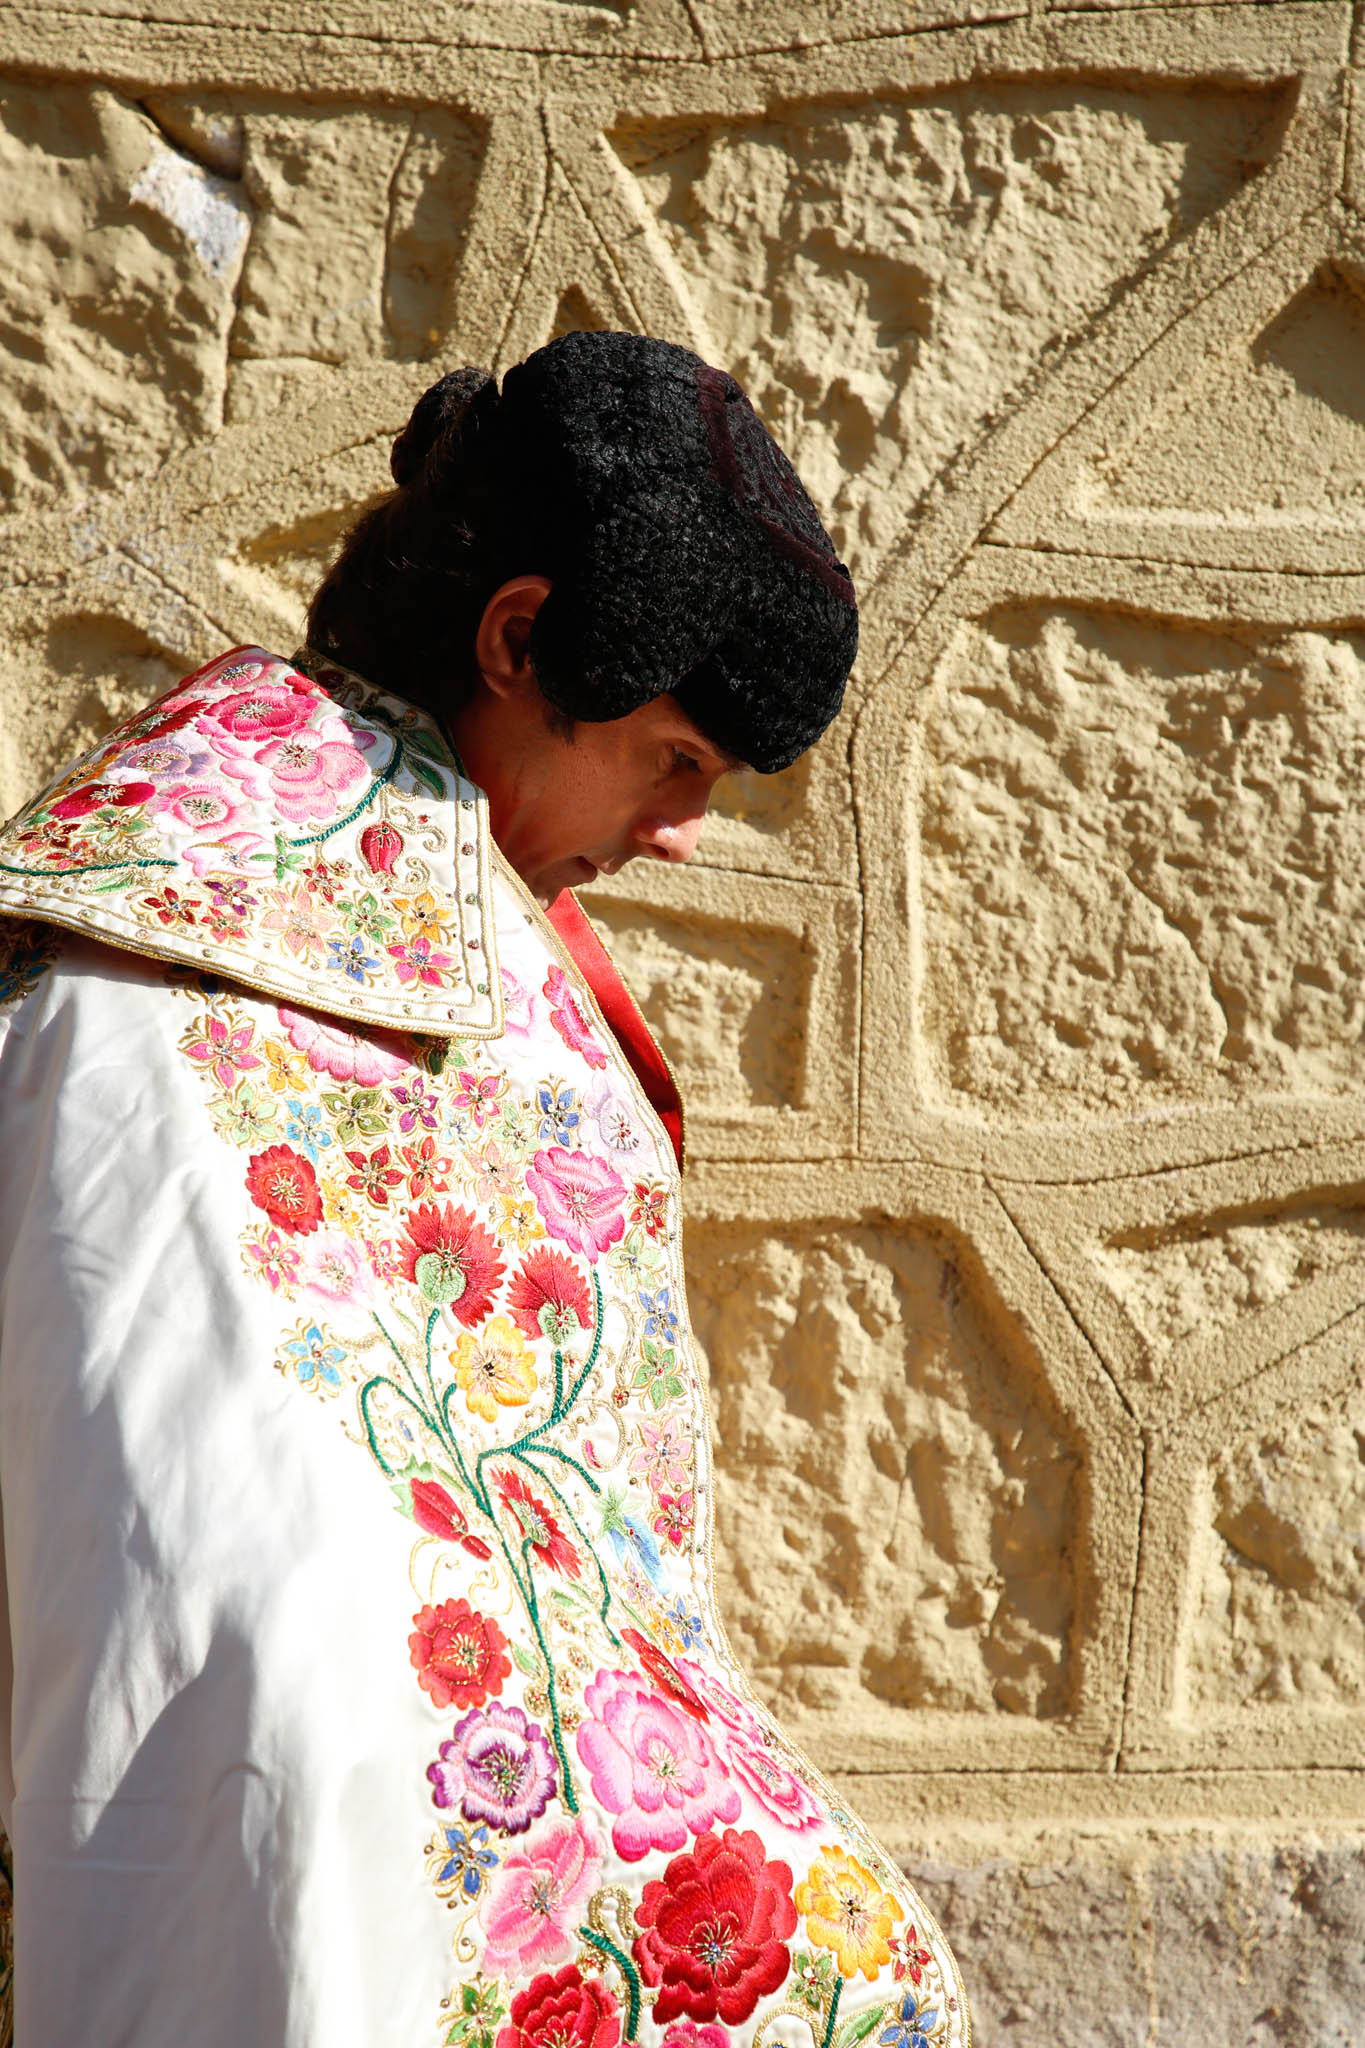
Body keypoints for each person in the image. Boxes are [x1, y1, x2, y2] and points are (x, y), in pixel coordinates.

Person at [0, 332, 969, 2044]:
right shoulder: (127, 976)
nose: (680, 828)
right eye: (671, 758)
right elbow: (237, 1610)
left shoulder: (456, 909)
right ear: (517, 638)